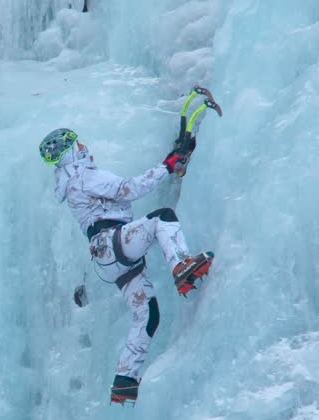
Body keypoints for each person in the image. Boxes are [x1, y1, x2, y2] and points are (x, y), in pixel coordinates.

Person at [40, 128, 212, 404]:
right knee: (162, 218)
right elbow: (128, 189)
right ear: (70, 151)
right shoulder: (82, 176)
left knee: (148, 314)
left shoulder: (70, 182)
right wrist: (168, 166)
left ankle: (125, 379)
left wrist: (168, 160)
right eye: (78, 143)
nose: (85, 146)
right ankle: (182, 266)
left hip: (108, 260)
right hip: (114, 242)